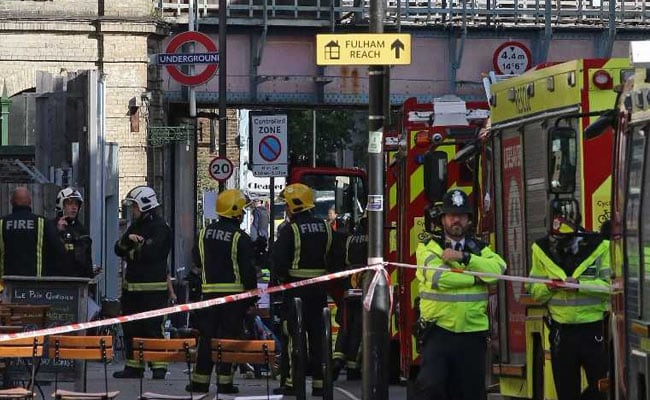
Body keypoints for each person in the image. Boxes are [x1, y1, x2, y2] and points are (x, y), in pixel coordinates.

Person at [414, 189, 506, 400]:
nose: (456, 220)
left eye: (462, 216)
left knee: (471, 394)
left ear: (469, 220)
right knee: (431, 387)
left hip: (472, 334)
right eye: (451, 215)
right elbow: (439, 278)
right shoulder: (428, 247)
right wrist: (475, 277)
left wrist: (464, 258)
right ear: (442, 219)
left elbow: (498, 270)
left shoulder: (479, 249)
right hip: (438, 331)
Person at [527, 199, 610, 400]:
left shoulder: (599, 246)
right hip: (561, 334)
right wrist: (549, 286)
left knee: (602, 391)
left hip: (595, 331)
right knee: (566, 393)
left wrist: (579, 285)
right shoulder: (541, 249)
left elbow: (611, 287)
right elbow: (534, 291)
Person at [271, 183, 340, 397]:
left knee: (294, 338)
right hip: (319, 294)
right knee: (320, 339)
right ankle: (320, 384)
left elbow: (278, 263)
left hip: (295, 295)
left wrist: (280, 282)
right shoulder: (327, 228)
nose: (286, 210)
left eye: (288, 206)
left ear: (295, 206)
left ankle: (293, 382)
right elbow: (336, 262)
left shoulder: (290, 230)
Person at [186, 189, 257, 394]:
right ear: (234, 212)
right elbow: (248, 271)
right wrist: (251, 298)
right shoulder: (240, 238)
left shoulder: (204, 234)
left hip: (208, 297)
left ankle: (200, 382)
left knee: (207, 339)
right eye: (242, 210)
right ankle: (225, 382)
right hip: (234, 299)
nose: (243, 214)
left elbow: (198, 261)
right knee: (228, 341)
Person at [113, 185, 172, 380]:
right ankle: (134, 367)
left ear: (145, 206)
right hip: (131, 290)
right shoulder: (135, 226)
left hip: (153, 291)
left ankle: (159, 367)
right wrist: (129, 241)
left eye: (135, 207)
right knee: (131, 329)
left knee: (153, 329)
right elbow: (118, 249)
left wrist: (132, 250)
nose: (133, 210)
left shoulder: (160, 228)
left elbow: (150, 255)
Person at [0, 186, 64, 279]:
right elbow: (59, 250)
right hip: (35, 286)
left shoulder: (2, 223)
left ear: (12, 202)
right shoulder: (42, 222)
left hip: (6, 285)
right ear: (30, 202)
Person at [332, 215, 367, 381]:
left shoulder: (350, 239)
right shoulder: (376, 236)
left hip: (349, 284)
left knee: (346, 323)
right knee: (360, 326)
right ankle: (353, 366)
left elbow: (342, 261)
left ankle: (337, 358)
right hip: (368, 283)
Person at [51, 187, 95, 278]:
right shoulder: (51, 226)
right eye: (70, 203)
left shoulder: (81, 230)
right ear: (61, 205)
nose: (74, 207)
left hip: (78, 283)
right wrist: (58, 232)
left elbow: (87, 260)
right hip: (56, 282)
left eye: (76, 204)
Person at [250, 199, 269, 270]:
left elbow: (255, 224)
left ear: (256, 202)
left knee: (256, 257)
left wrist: (253, 239)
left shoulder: (256, 211)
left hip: (258, 237)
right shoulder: (266, 211)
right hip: (265, 235)